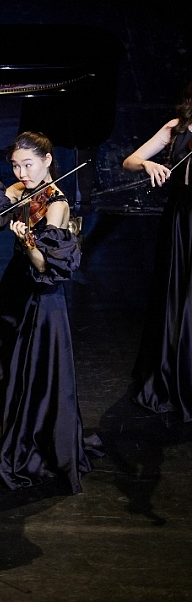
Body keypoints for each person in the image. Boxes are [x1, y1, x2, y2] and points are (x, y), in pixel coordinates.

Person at [0, 131, 100, 492]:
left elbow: (45, 266)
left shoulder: (57, 205)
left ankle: (29, 439)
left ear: (47, 161)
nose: (22, 173)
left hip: (42, 297)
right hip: (14, 288)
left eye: (29, 165)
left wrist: (28, 243)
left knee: (33, 371)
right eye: (16, 166)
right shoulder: (21, 190)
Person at [123, 81, 192, 420]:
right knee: (175, 295)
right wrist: (148, 165)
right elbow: (130, 161)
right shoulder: (175, 128)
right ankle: (170, 373)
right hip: (180, 221)